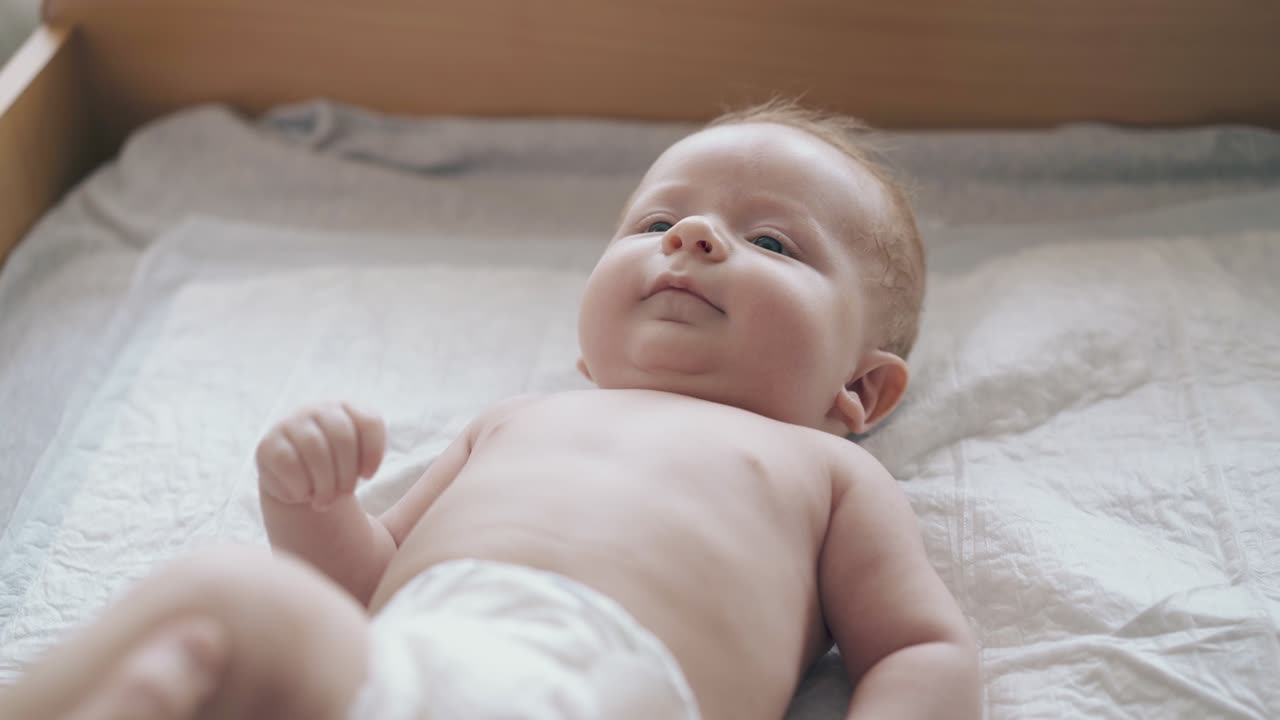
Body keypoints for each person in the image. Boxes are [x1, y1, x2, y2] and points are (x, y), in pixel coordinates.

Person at [0, 100, 979, 720]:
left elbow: (919, 647)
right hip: (405, 670)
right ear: (586, 345)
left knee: (225, 605)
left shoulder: (828, 472)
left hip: (602, 691)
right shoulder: (516, 421)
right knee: (227, 607)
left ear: (858, 390)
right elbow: (368, 584)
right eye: (653, 223)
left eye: (770, 242)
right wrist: (311, 509)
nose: (691, 236)